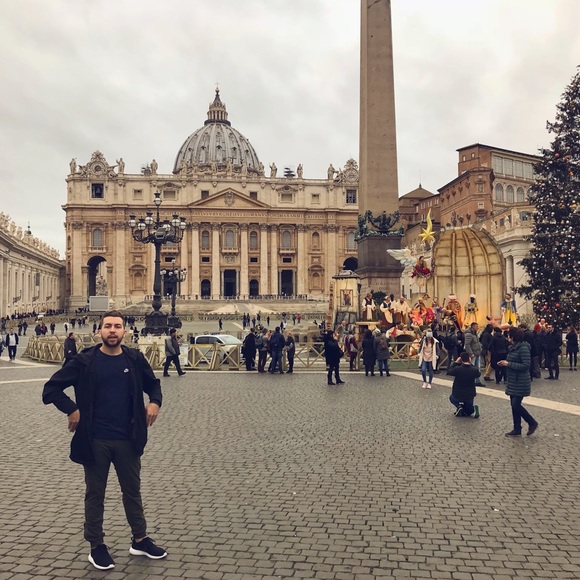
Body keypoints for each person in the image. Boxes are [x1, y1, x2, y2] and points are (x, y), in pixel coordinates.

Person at [42, 310, 167, 570]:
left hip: (128, 438)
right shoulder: (85, 361)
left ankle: (140, 539)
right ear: (99, 331)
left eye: (117, 326)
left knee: (132, 492)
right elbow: (51, 388)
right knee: (95, 494)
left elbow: (153, 384)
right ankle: (96, 545)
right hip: (95, 439)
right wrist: (72, 409)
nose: (112, 330)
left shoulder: (134, 358)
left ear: (125, 331)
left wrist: (155, 402)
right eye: (108, 326)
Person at [498, 327, 538, 437]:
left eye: (509, 336)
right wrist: (505, 363)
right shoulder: (513, 347)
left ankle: (532, 422)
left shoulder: (523, 348)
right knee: (513, 405)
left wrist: (508, 364)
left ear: (514, 337)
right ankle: (517, 428)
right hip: (513, 380)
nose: (508, 338)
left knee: (516, 404)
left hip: (521, 380)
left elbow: (526, 365)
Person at [447, 351, 481, 418]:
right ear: (469, 359)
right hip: (469, 394)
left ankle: (459, 406)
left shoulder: (458, 369)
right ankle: (473, 409)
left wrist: (455, 362)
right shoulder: (474, 370)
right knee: (468, 412)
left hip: (458, 393)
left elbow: (449, 371)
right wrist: (471, 364)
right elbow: (478, 374)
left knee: (451, 398)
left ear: (461, 359)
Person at [463, 322, 484, 386]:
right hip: (473, 354)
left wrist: (480, 349)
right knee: (471, 368)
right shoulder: (469, 334)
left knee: (477, 368)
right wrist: (470, 353)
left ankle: (477, 380)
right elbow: (467, 345)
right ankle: (471, 381)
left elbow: (477, 343)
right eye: (476, 326)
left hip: (477, 353)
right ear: (473, 327)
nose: (477, 328)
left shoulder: (475, 334)